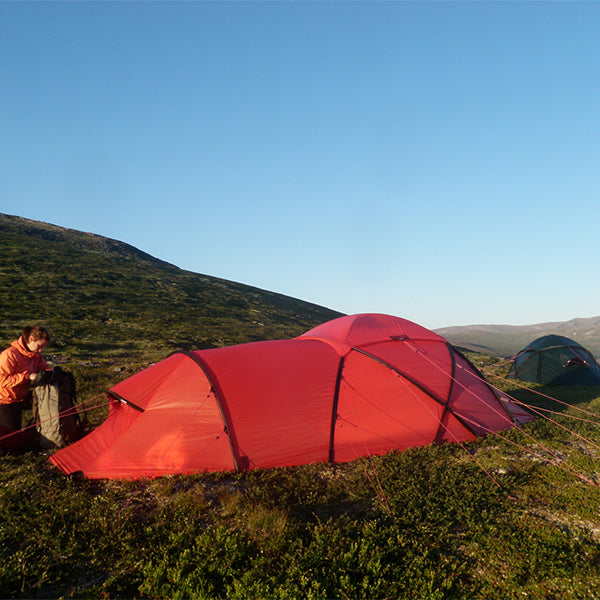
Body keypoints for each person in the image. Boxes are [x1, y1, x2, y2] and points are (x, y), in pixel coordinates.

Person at [0, 326, 51, 450]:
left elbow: (45, 369)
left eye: (42, 347)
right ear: (31, 339)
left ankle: (38, 433)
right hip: (6, 400)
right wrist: (27, 376)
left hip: (23, 395)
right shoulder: (9, 354)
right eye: (39, 346)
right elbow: (2, 380)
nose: (40, 350)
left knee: (49, 404)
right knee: (11, 441)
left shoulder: (35, 355)